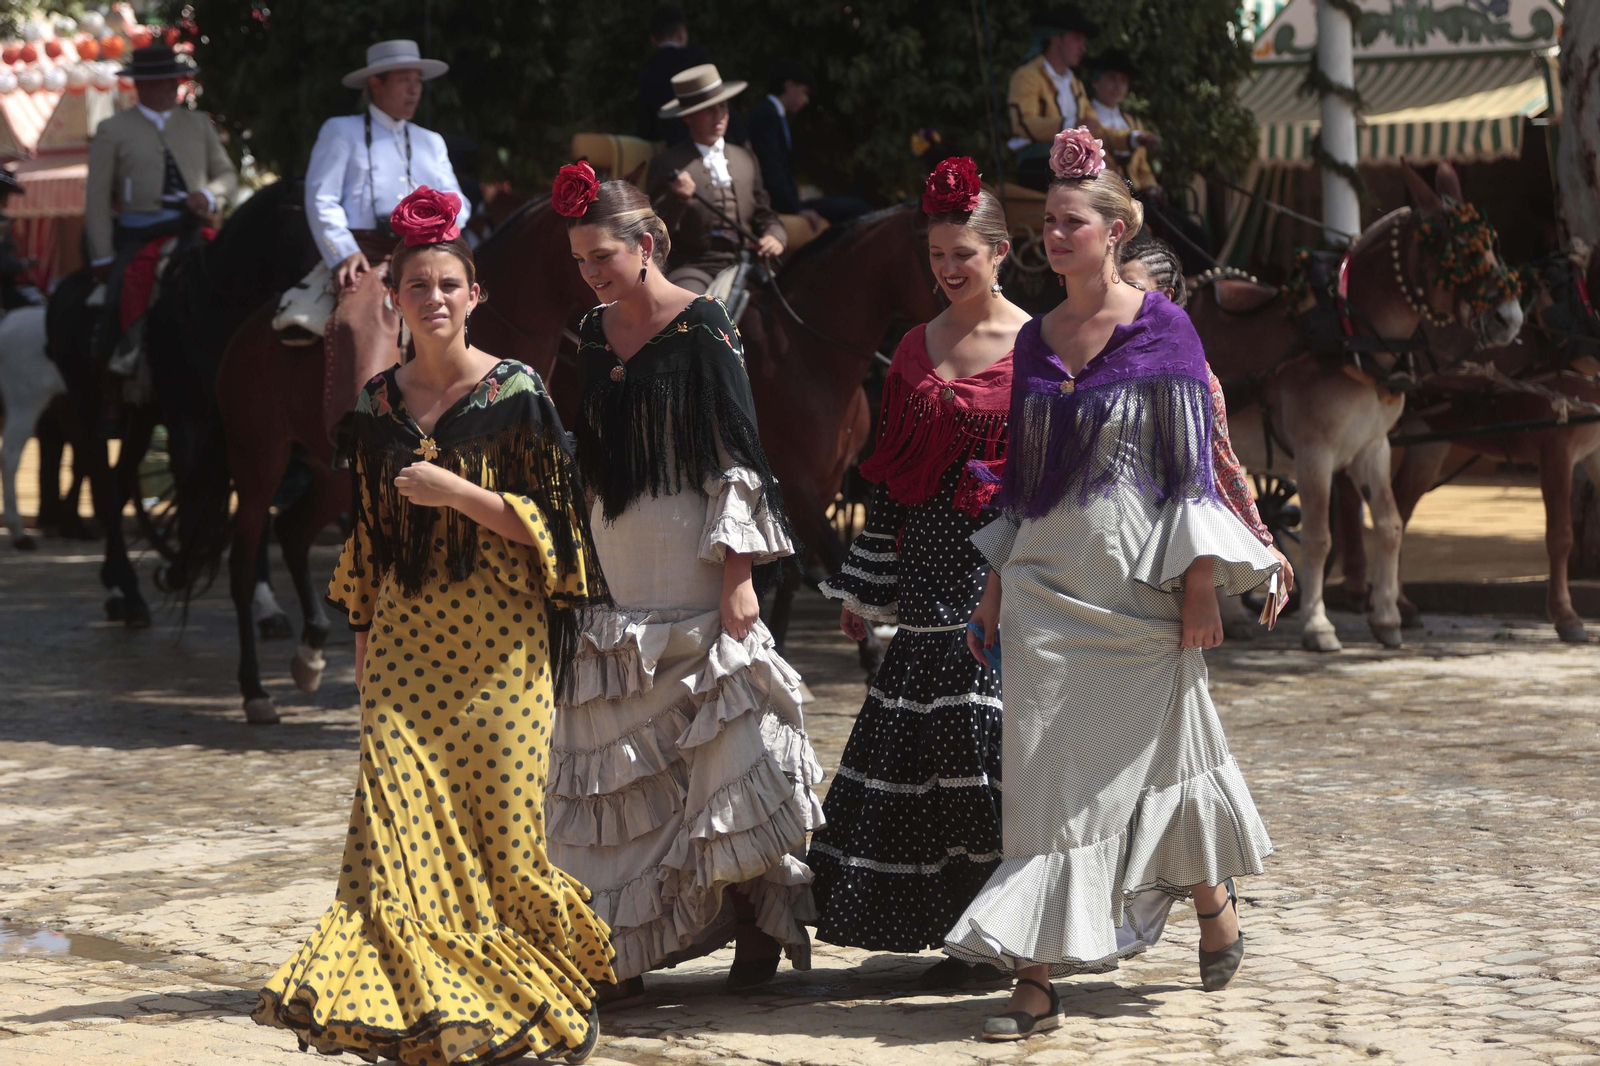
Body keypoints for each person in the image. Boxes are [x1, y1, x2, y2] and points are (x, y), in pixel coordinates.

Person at [252, 187, 616, 1063]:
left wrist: (462, 494)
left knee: (502, 845)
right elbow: (370, 546)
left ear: (475, 294)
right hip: (406, 659)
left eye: (451, 284)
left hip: (503, 654)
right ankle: (416, 1009)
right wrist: (364, 657)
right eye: (420, 287)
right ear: (396, 301)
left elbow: (567, 535)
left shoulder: (520, 392)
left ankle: (516, 999)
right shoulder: (374, 407)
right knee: (394, 847)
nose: (437, 299)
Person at [945, 128, 1280, 1041]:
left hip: (1141, 583)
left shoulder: (1163, 328)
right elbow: (1024, 476)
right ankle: (1035, 977)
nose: (1053, 236)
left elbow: (1189, 474)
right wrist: (995, 585)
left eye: (1069, 223)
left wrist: (1203, 582)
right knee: (1042, 773)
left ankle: (1212, 896)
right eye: (1046, 223)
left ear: (1117, 230)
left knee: (1169, 758)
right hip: (1048, 585)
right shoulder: (1035, 338)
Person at [552, 163, 824, 999]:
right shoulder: (590, 335)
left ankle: (751, 922)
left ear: (647, 244)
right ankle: (622, 941)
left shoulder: (705, 326)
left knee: (716, 747)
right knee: (619, 759)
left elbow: (735, 457)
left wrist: (737, 575)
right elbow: (579, 455)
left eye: (603, 255)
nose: (593, 273)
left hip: (692, 555)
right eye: (581, 261)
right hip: (613, 557)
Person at [808, 158, 1027, 988]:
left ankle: (1012, 929)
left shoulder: (1037, 343)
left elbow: (1052, 477)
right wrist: (866, 588)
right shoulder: (911, 344)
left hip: (1007, 560)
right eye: (937, 254)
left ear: (1001, 250)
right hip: (929, 563)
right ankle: (957, 929)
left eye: (962, 253)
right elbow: (890, 477)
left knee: (984, 737)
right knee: (932, 743)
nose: (947, 269)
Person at [294, 40, 466, 439]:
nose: (414, 90)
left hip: (429, 251)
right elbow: (320, 196)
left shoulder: (430, 140)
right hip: (366, 252)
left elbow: (462, 202)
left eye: (417, 81)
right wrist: (343, 252)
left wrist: (440, 220)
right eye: (404, 80)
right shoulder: (341, 131)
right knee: (364, 317)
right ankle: (363, 429)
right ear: (376, 83)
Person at [1121, 234, 1284, 556]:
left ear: (1164, 296)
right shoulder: (1086, 356)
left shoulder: (1191, 374)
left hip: (1160, 544)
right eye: (1115, 287)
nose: (1121, 298)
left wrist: (1263, 541)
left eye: (1134, 288)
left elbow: (1222, 461)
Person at [84, 44, 237, 353]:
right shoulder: (112, 129)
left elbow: (228, 176)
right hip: (139, 233)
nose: (165, 88)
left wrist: (208, 195)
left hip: (194, 226)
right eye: (155, 82)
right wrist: (101, 254)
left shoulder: (198, 123)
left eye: (171, 80)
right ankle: (116, 362)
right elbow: (97, 199)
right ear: (139, 85)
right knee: (117, 296)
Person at [646, 65, 787, 294]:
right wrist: (677, 198)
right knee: (689, 313)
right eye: (708, 109)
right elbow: (654, 232)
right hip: (693, 265)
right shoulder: (667, 163)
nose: (719, 114)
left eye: (723, 106)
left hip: (745, 261)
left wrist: (775, 236)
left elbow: (764, 213)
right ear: (688, 117)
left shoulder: (745, 159)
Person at [1005, 5, 1156, 190]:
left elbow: (1096, 128)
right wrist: (1071, 125)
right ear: (1056, 39)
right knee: (1107, 189)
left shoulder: (1075, 84)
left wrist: (1133, 138)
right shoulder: (1027, 76)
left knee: (1120, 190)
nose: (1083, 47)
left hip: (1074, 165)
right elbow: (1023, 124)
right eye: (1077, 39)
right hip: (1039, 165)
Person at [1088, 52, 1214, 273]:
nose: (1118, 86)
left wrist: (1152, 186)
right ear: (1096, 81)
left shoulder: (1132, 121)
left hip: (1140, 193)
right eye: (1112, 79)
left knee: (1192, 231)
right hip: (1112, 195)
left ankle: (1198, 283)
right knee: (1165, 230)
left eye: (1124, 81)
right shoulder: (1087, 117)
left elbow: (1142, 167)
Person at [745, 58, 871, 226]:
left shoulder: (775, 116)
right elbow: (771, 169)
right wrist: (796, 209)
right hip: (777, 206)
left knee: (856, 207)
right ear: (789, 85)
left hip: (786, 203)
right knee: (856, 209)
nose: (806, 100)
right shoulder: (766, 116)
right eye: (804, 92)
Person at [636, 3, 710, 145]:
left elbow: (645, 126)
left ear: (654, 40)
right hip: (703, 143)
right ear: (682, 33)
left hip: (668, 149)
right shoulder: (697, 57)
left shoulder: (647, 71)